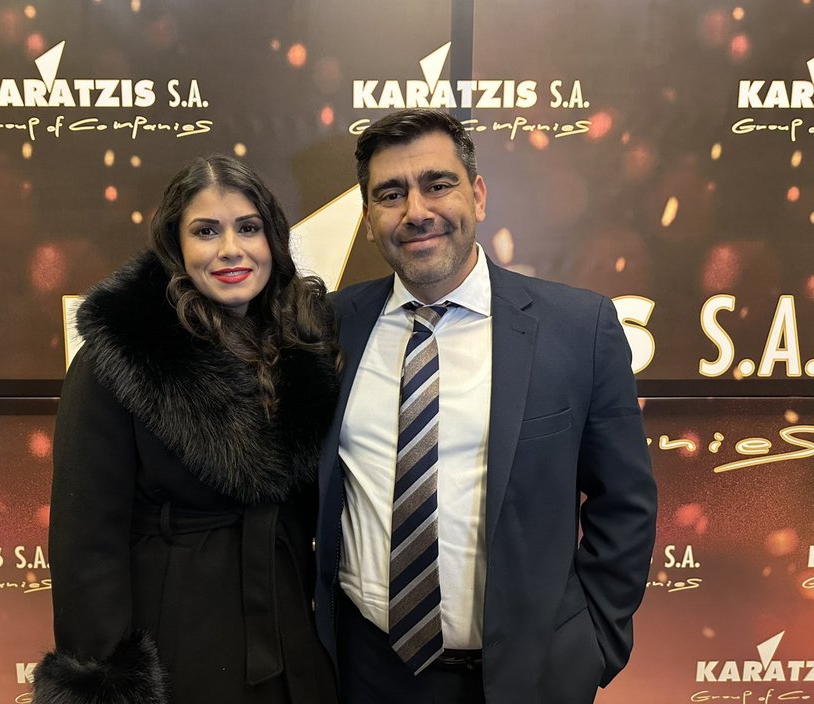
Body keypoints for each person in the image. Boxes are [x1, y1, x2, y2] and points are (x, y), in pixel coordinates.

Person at [314, 109, 657, 704]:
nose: (416, 211)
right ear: (368, 219)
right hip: (365, 672)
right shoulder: (328, 327)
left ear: (477, 195)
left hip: (529, 679)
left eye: (437, 184)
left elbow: (624, 503)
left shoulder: (579, 327)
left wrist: (592, 645)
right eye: (390, 194)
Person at [33, 154, 340, 704]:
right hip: (177, 636)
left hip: (289, 625)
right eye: (206, 231)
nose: (231, 249)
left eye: (248, 228)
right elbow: (87, 544)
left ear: (273, 239)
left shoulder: (304, 341)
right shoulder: (119, 357)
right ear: (175, 245)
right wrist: (109, 680)